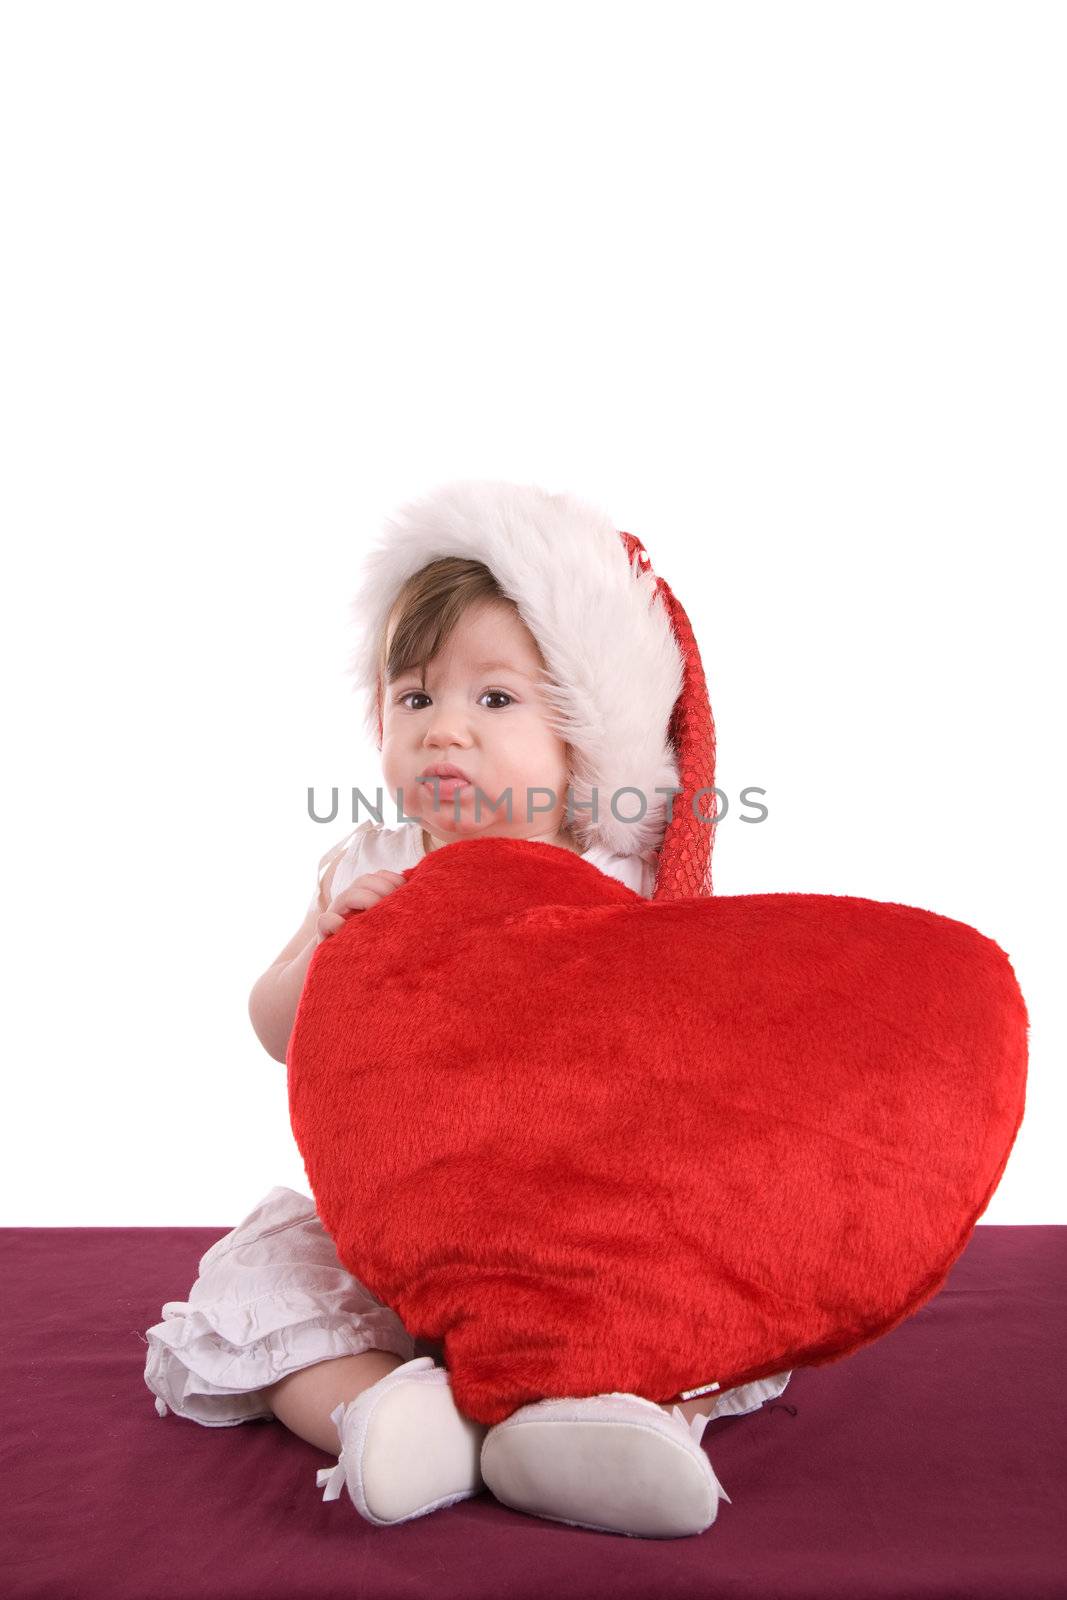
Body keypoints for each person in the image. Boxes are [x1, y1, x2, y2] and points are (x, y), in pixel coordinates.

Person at [143, 480, 791, 1539]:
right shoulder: (373, 867)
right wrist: (332, 953)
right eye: (414, 698)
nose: (445, 730)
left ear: (583, 743)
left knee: (685, 1307)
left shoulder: (611, 887)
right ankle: (391, 1420)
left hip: (574, 1224)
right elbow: (271, 1026)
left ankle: (608, 1435)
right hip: (398, 1225)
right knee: (267, 1290)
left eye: (494, 701)